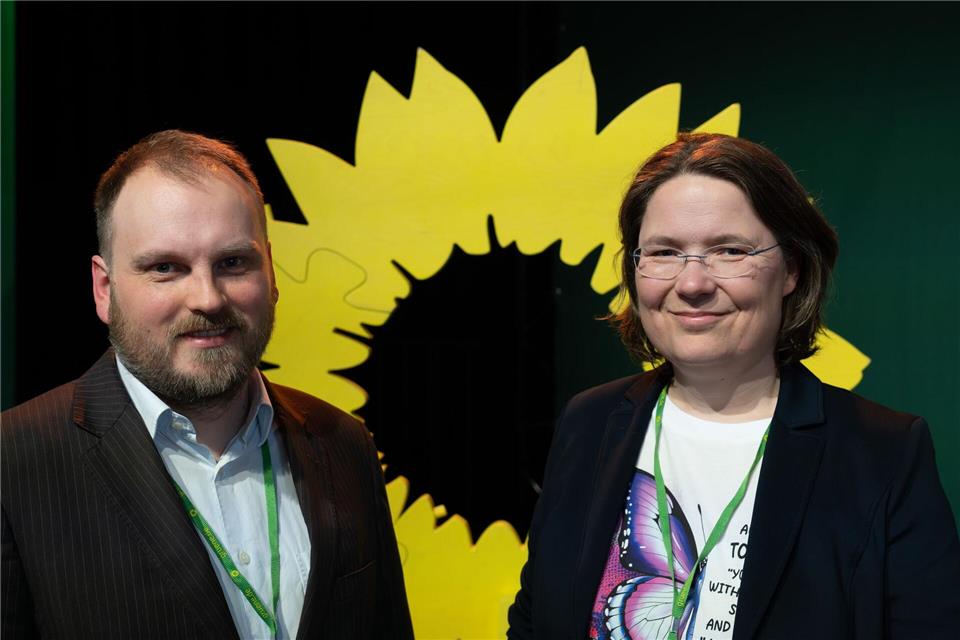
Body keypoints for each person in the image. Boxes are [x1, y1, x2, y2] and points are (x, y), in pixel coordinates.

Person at [507, 132, 960, 639]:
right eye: (663, 252)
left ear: (791, 268)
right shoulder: (589, 421)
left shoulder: (882, 452)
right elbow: (534, 622)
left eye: (728, 250)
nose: (693, 283)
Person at [1, 130, 413, 639]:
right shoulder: (14, 464)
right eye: (166, 268)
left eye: (233, 263)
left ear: (271, 271)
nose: (208, 298)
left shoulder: (344, 444)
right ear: (104, 289)